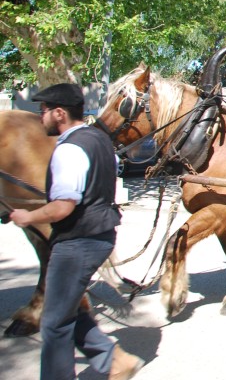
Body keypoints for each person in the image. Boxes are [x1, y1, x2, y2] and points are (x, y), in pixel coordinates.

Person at [10, 83, 143, 380]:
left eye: (43, 111)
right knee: (66, 310)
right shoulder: (99, 140)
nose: (39, 116)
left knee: (54, 323)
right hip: (99, 235)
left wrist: (26, 216)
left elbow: (62, 207)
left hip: (77, 243)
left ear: (59, 113)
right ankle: (114, 362)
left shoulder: (69, 149)